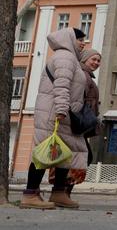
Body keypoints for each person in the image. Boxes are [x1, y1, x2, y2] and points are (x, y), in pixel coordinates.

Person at [20, 28, 89, 209]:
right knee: (44, 152)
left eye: (84, 40)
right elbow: (61, 84)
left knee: (65, 154)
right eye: (79, 39)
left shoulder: (70, 58)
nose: (83, 43)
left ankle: (58, 192)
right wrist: (61, 109)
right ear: (69, 39)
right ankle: (30, 194)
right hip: (55, 114)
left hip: (64, 115)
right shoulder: (65, 57)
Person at [46, 49, 102, 198]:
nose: (96, 63)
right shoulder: (83, 76)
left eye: (98, 60)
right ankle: (62, 191)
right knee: (78, 157)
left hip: (80, 123)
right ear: (84, 59)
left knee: (77, 156)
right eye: (93, 59)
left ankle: (63, 191)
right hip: (76, 122)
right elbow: (77, 98)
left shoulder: (87, 76)